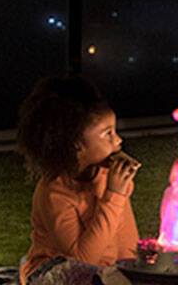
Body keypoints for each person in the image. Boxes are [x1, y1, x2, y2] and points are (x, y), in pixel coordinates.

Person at [15, 77, 140, 285]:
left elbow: (124, 237)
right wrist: (114, 196)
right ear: (76, 145)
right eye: (107, 134)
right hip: (55, 274)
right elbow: (81, 261)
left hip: (102, 273)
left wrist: (136, 272)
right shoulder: (54, 193)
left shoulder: (106, 176)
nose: (118, 141)